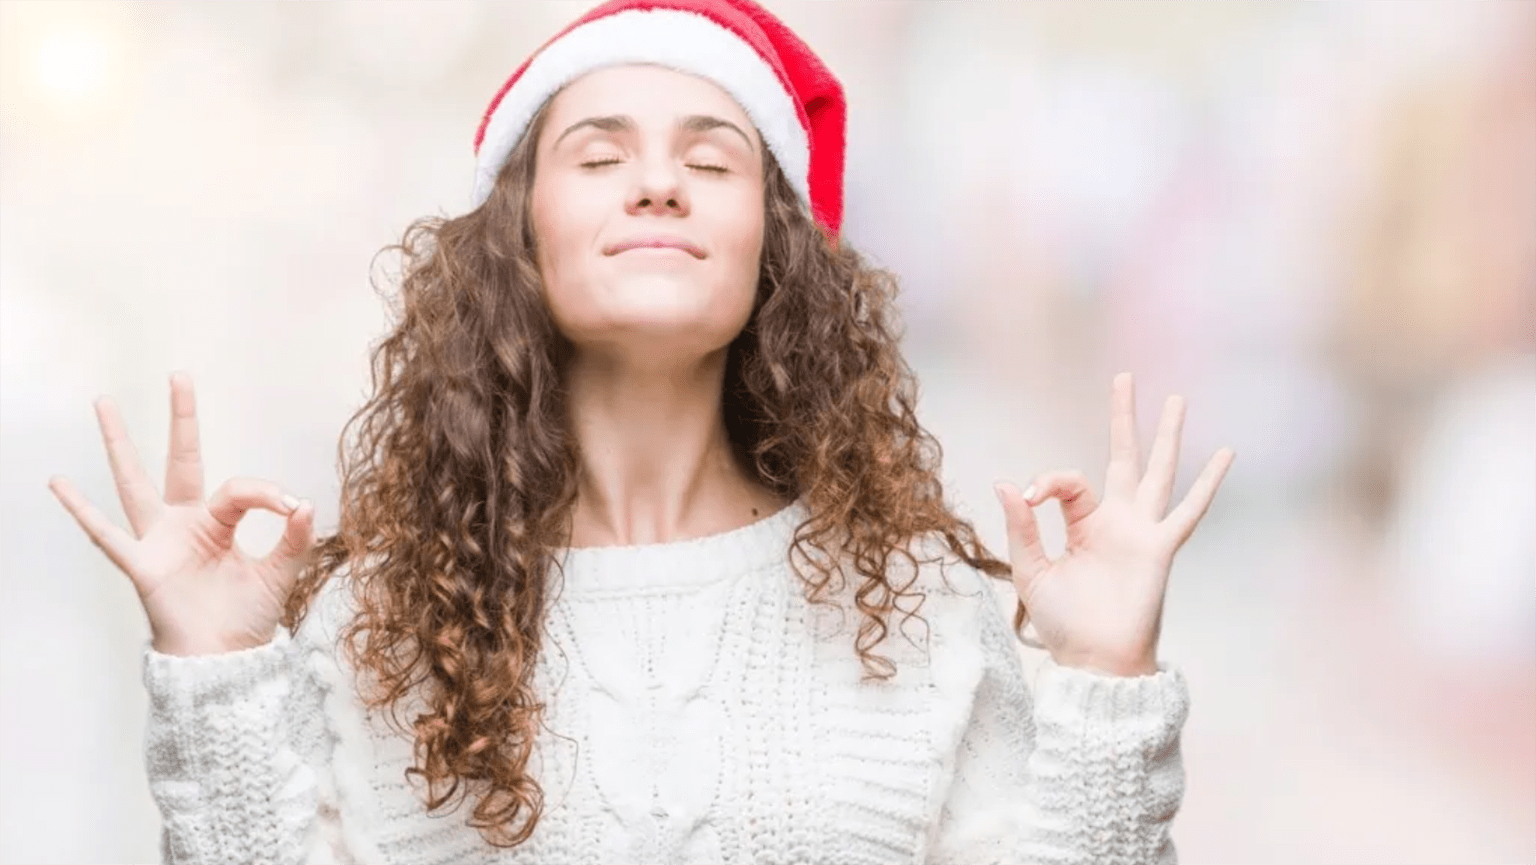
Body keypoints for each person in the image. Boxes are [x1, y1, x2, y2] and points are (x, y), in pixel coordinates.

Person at [48, 0, 1234, 862]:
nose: (657, 184)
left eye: (711, 161)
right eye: (601, 153)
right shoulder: (376, 624)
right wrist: (211, 667)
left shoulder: (919, 606)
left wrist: (1105, 674)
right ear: (517, 237)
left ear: (777, 253)